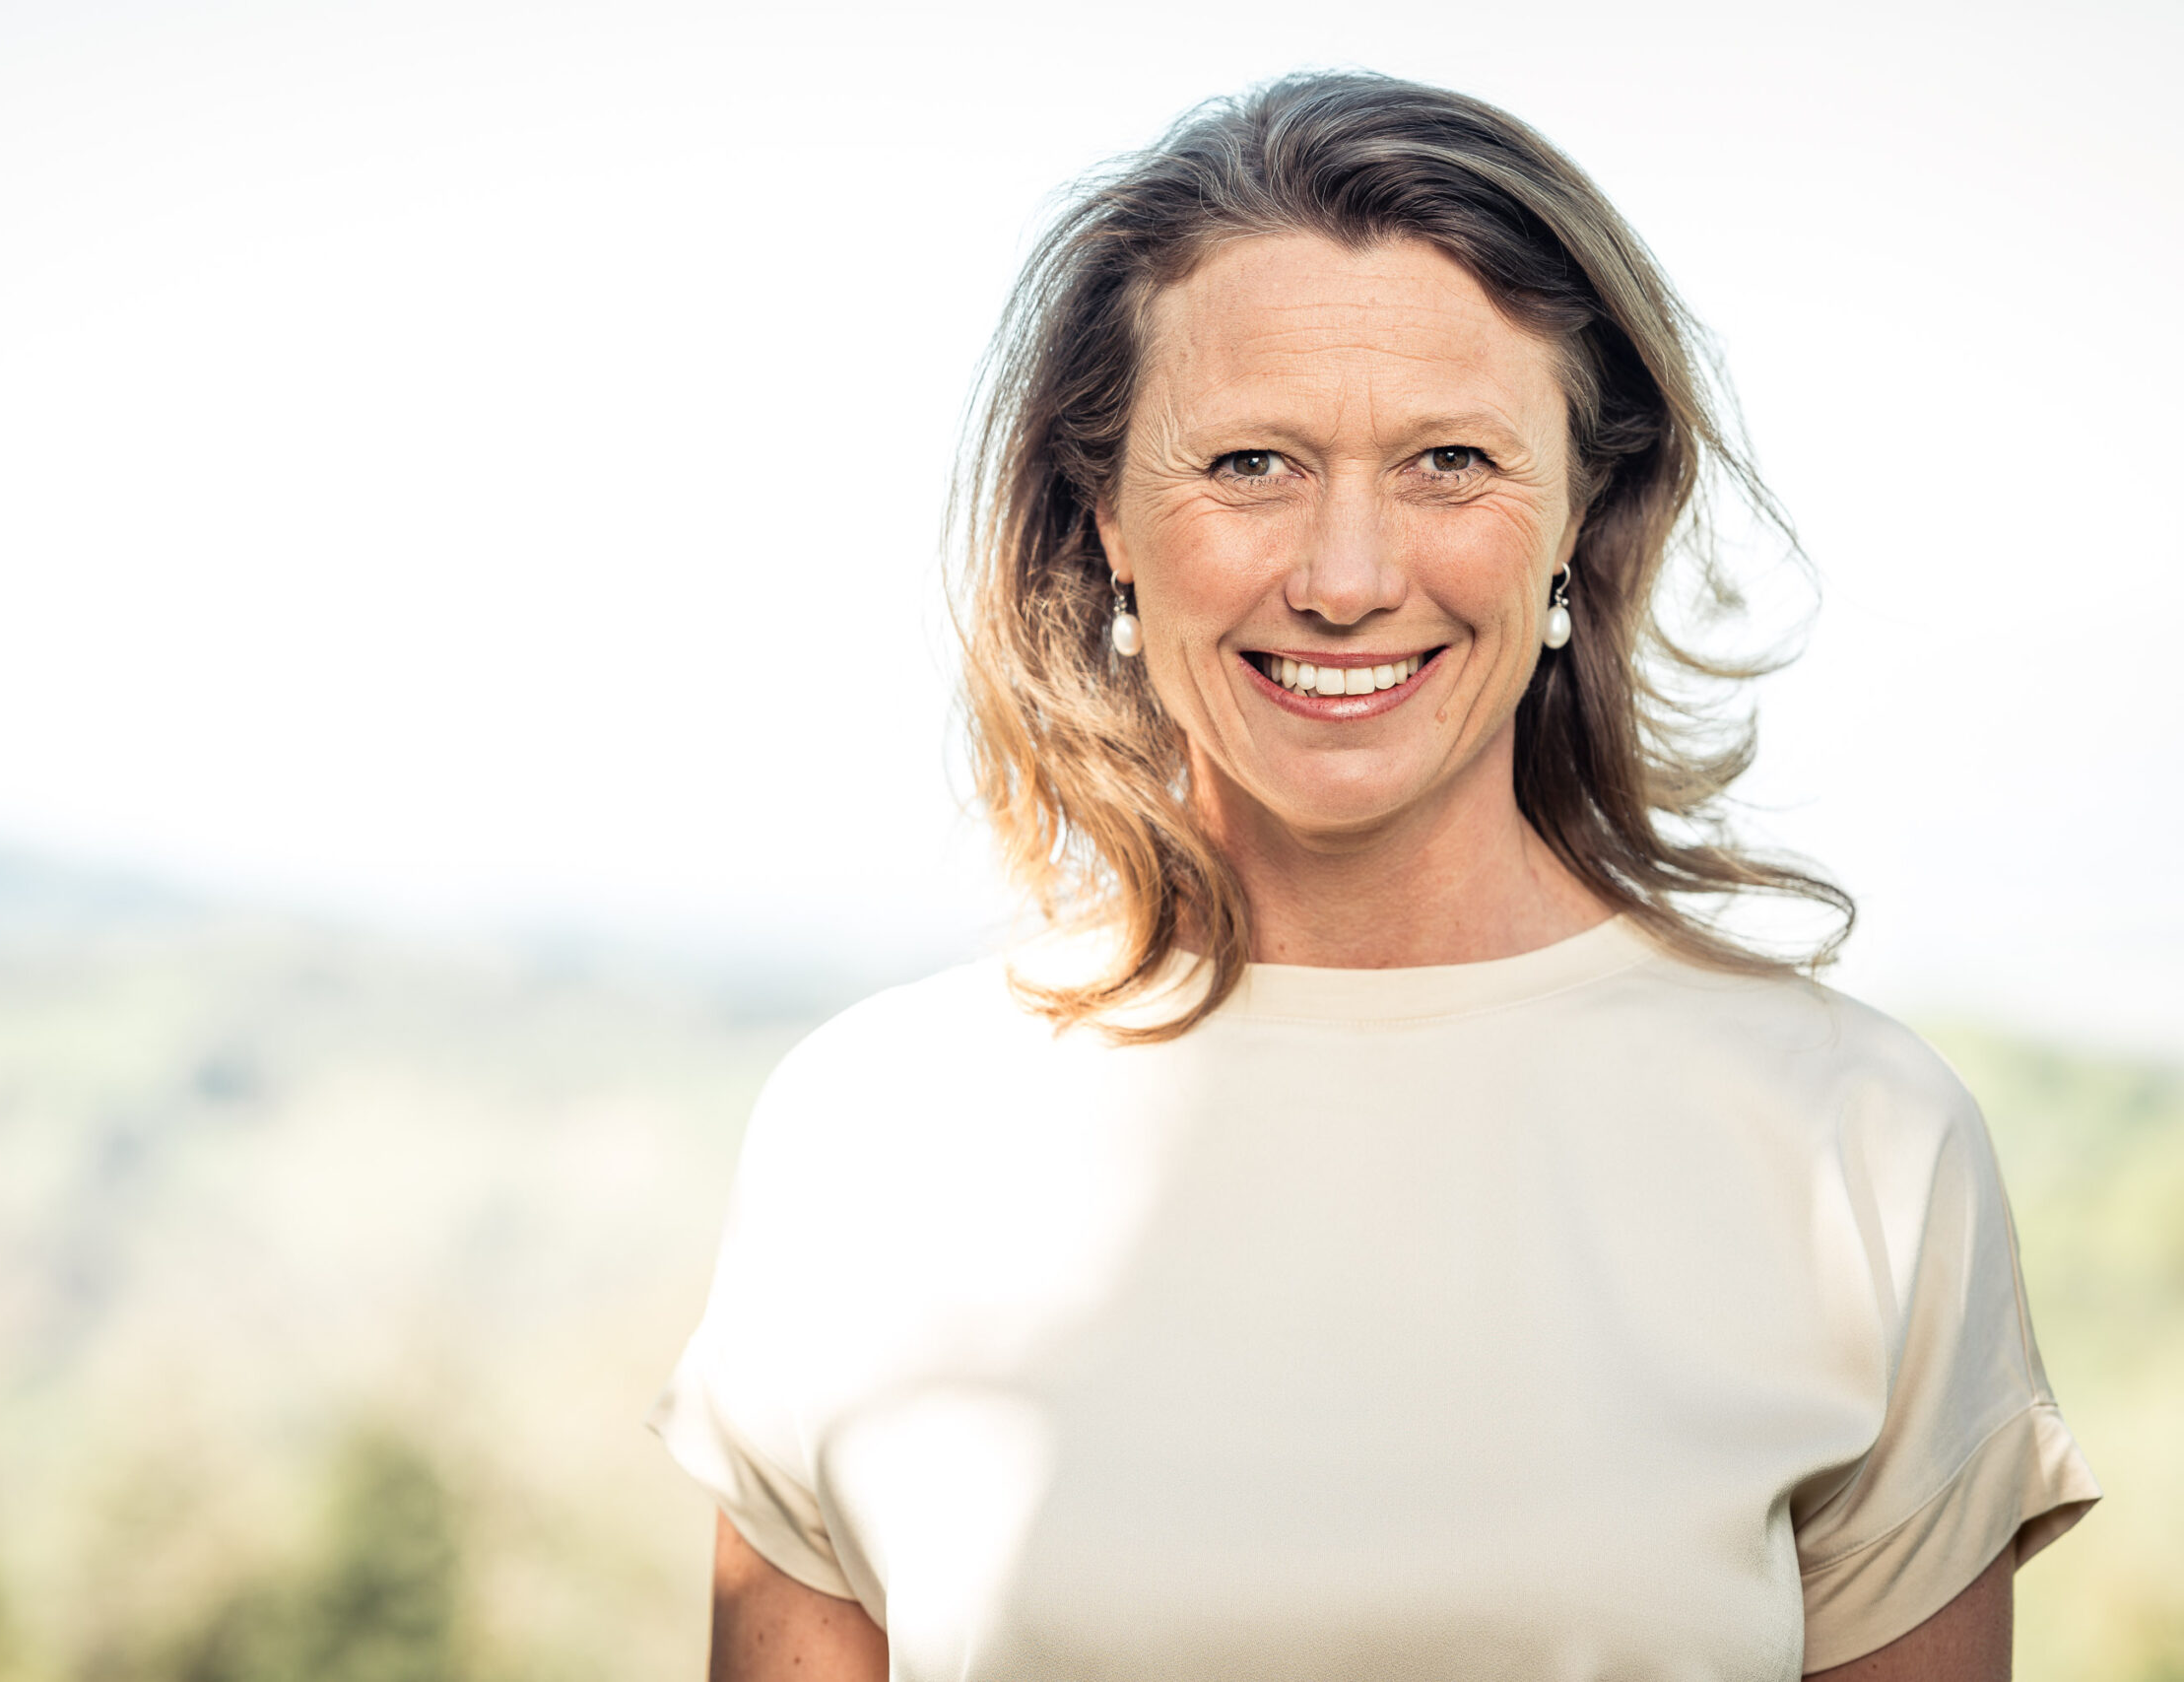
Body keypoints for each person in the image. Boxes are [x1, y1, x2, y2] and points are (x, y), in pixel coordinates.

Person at [649, 72, 2097, 1681]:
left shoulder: (1856, 1146)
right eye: (1251, 464)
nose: (1346, 579)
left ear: (1583, 512)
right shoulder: (866, 1135)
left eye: (1450, 461)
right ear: (1104, 514)